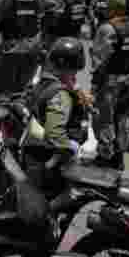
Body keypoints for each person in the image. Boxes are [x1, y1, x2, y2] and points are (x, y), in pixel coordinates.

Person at [25, 37, 92, 191]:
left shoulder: (44, 83)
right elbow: (55, 134)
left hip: (38, 153)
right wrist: (69, 149)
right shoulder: (60, 94)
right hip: (51, 159)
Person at [90, 0, 129, 169]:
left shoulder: (107, 29)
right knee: (122, 117)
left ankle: (106, 156)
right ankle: (119, 154)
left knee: (104, 118)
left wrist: (95, 83)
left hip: (110, 81)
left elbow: (100, 59)